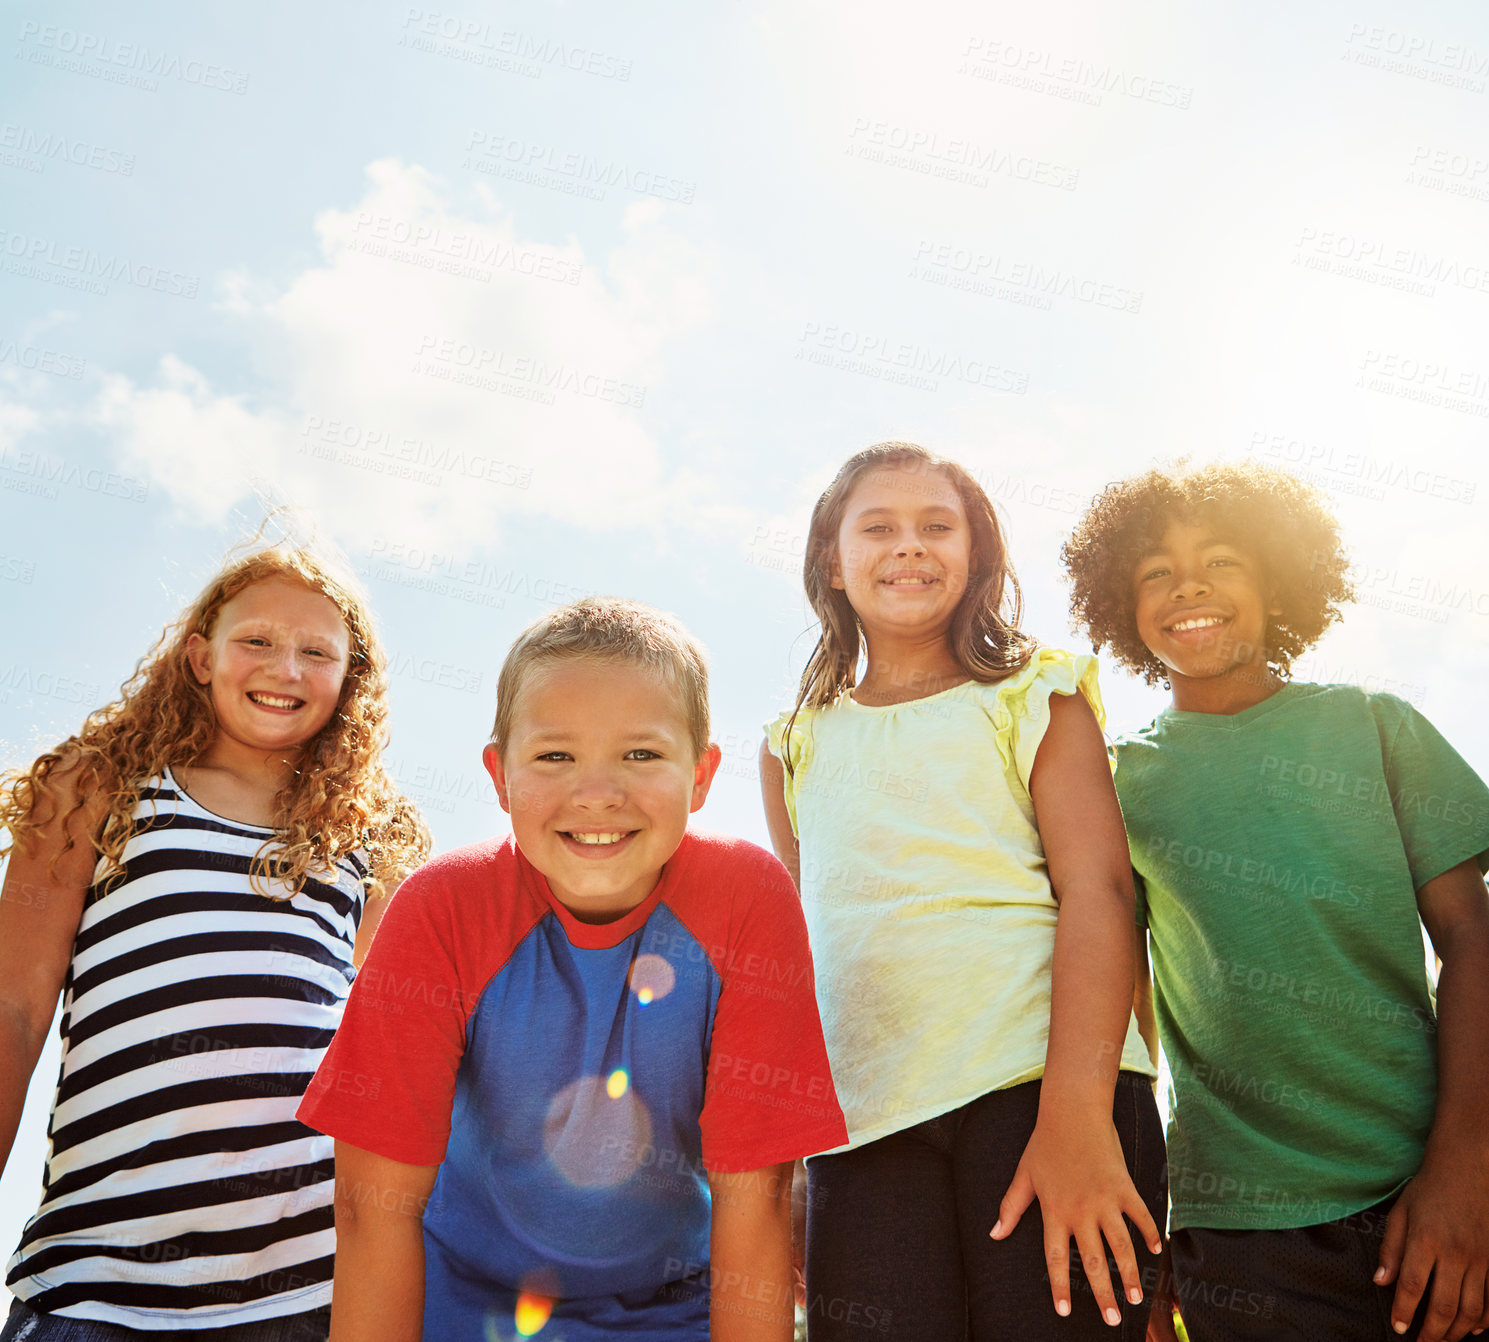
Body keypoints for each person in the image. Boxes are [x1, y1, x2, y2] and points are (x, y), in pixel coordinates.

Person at [299, 597, 845, 1342]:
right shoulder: (443, 908)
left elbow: (756, 1196)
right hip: (462, 1308)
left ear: (702, 775)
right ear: (498, 775)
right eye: (555, 756)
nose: (597, 793)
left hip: (674, 1309)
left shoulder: (745, 900)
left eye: (641, 754)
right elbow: (374, 1206)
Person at [1061, 461, 1489, 1342]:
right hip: (1239, 1231)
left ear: (1276, 580)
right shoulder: (1116, 783)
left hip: (1430, 1186)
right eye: (1154, 571)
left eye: (1221, 559)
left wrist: (1464, 1164)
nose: (1188, 585)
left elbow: (1471, 937)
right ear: (1121, 606)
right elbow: (1121, 1005)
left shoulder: (1374, 725)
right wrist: (1154, 1212)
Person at [760, 442, 1166, 1340]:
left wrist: (1077, 1121)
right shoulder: (791, 744)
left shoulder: (1034, 695)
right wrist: (793, 1168)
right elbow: (805, 955)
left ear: (976, 553)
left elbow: (1100, 895)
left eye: (936, 527)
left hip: (1042, 1094)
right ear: (832, 560)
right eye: (878, 528)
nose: (909, 546)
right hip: (864, 1130)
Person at [0, 538, 429, 1340]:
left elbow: (397, 1051)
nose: (285, 669)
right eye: (256, 641)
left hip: (306, 1286)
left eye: (316, 652)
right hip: (96, 1281)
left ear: (349, 679)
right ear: (200, 657)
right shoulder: (98, 786)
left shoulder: (372, 836)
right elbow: (15, 1009)